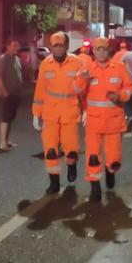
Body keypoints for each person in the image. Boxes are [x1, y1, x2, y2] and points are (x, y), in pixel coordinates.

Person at [32, 31, 88, 194]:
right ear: (51, 47)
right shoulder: (45, 65)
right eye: (55, 46)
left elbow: (83, 91)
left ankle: (72, 165)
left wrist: (86, 109)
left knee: (71, 149)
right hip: (49, 115)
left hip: (70, 113)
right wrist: (36, 112)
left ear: (67, 46)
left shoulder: (77, 64)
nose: (58, 49)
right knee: (50, 151)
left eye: (61, 46)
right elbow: (40, 90)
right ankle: (54, 182)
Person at [82, 37, 132, 202]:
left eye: (104, 49)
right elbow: (79, 92)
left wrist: (120, 96)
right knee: (92, 156)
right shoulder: (87, 69)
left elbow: (130, 88)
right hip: (94, 122)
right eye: (98, 49)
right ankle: (95, 188)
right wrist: (83, 110)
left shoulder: (119, 68)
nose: (101, 52)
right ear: (94, 51)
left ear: (108, 51)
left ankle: (110, 172)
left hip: (113, 121)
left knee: (113, 159)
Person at [0, 38, 23, 151]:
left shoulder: (17, 59)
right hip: (7, 94)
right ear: (8, 46)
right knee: (5, 117)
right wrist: (4, 92)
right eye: (14, 45)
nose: (17, 48)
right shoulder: (3, 59)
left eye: (17, 45)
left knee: (10, 118)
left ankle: (7, 140)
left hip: (16, 94)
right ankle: (2, 143)